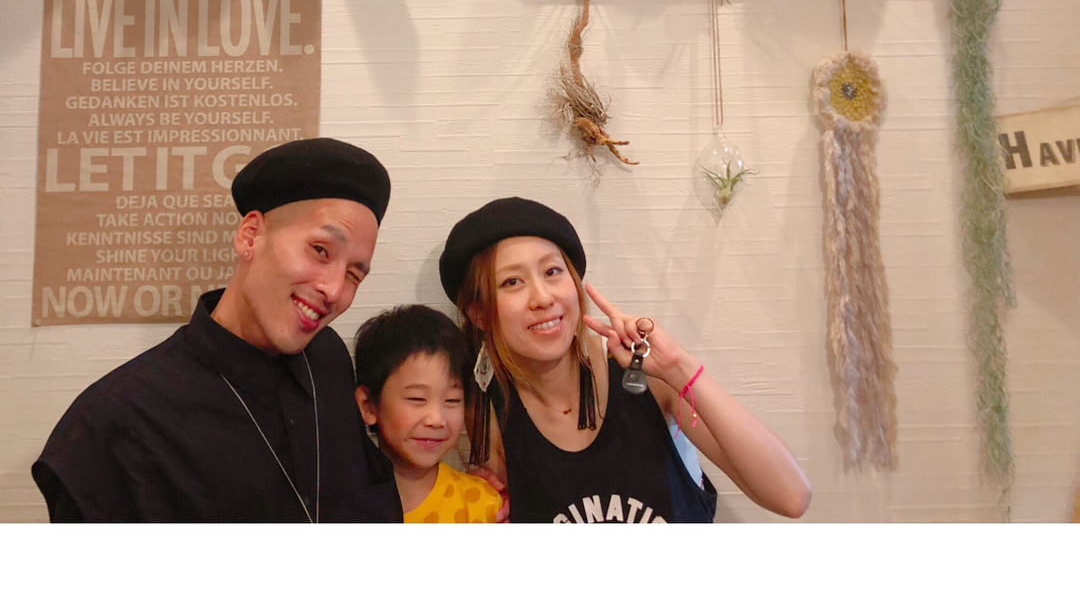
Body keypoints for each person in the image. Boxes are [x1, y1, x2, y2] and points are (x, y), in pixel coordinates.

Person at [32, 137, 402, 522]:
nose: (334, 290)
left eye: (354, 274)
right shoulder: (112, 424)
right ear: (250, 236)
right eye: (320, 250)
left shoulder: (328, 358)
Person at [439, 196, 813, 523]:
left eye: (552, 272)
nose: (543, 298)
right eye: (512, 282)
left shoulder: (643, 374)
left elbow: (791, 497)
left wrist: (678, 368)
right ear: (480, 314)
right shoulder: (487, 411)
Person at [353, 305, 501, 523]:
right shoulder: (339, 506)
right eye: (417, 399)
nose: (436, 419)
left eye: (452, 400)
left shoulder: (483, 506)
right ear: (368, 406)